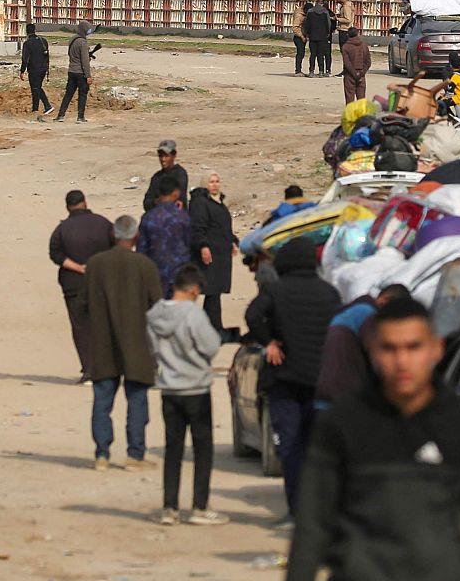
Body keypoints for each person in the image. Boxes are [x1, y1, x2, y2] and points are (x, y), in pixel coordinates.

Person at [284, 297, 460, 581]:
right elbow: (310, 532)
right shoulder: (341, 424)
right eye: (389, 349)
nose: (402, 362)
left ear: (436, 349)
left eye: (413, 347)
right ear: (372, 351)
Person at [244, 237, 342, 520]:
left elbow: (252, 315)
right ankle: (316, 511)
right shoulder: (329, 293)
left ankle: (296, 510)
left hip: (284, 380)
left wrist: (270, 342)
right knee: (315, 448)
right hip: (320, 381)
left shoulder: (276, 290)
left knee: (289, 447)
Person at [146, 263, 227, 526]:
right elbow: (211, 346)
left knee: (173, 448)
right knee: (203, 449)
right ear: (193, 290)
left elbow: (152, 348)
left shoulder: (155, 314)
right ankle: (199, 507)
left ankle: (169, 507)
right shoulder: (193, 315)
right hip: (195, 388)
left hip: (169, 388)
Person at [83, 214, 163, 470]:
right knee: (137, 401)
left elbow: (82, 304)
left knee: (102, 402)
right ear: (135, 236)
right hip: (138, 345)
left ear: (113, 235)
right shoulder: (145, 265)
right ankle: (135, 455)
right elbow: (157, 306)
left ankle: (102, 455)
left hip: (103, 344)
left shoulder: (95, 264)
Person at [48, 190, 116, 382]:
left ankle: (88, 369)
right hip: (101, 282)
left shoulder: (62, 229)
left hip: (73, 284)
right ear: (85, 202)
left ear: (67, 206)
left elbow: (55, 254)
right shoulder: (103, 223)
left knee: (81, 326)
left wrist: (77, 267)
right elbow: (117, 246)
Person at [314, 283, 412, 411]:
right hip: (347, 402)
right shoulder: (368, 315)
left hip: (324, 397)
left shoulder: (347, 312)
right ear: (384, 301)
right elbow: (379, 358)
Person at [187, 171, 237, 333]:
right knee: (211, 290)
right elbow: (198, 227)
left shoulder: (218, 202)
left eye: (217, 181)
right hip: (209, 253)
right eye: (211, 182)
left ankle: (212, 328)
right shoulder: (200, 203)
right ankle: (212, 328)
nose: (215, 185)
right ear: (204, 184)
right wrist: (203, 247)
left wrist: (233, 241)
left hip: (220, 253)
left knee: (214, 293)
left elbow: (223, 227)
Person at [138, 177, 192, 298]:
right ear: (176, 193)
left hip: (154, 275)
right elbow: (189, 245)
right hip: (178, 276)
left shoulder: (148, 218)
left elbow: (141, 250)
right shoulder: (182, 217)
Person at [54, 21, 92, 123]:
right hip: (81, 73)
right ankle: (80, 117)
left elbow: (71, 55)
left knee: (68, 94)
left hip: (71, 71)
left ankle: (60, 115)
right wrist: (88, 75)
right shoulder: (83, 42)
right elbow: (85, 61)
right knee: (82, 94)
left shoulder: (72, 39)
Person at [143, 139, 189, 212]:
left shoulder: (180, 174)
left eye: (166, 156)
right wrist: (157, 201)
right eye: (161, 156)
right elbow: (146, 203)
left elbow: (178, 198)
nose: (163, 159)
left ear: (174, 156)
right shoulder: (156, 177)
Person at [19, 23, 53, 116]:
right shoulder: (43, 40)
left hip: (34, 70)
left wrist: (22, 71)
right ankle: (37, 109)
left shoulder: (27, 43)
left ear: (27, 32)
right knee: (37, 88)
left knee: (35, 88)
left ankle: (45, 107)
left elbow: (25, 58)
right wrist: (47, 68)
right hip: (43, 69)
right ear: (34, 30)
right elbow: (47, 56)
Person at [437, 53, 460, 121]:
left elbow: (450, 90)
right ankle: (455, 118)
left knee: (440, 103)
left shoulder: (455, 77)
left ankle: (451, 119)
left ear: (451, 65)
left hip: (459, 99)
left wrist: (444, 97)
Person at [340, 28, 372, 103]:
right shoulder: (364, 45)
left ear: (348, 35)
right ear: (358, 34)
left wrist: (354, 74)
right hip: (361, 74)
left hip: (350, 75)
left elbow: (347, 63)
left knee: (350, 99)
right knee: (361, 100)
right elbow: (368, 61)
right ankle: (361, 114)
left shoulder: (346, 46)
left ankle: (351, 114)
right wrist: (362, 73)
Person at [304, 0, 334, 77]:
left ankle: (311, 71)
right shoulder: (325, 12)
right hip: (323, 36)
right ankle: (321, 71)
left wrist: (307, 33)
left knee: (313, 54)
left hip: (312, 35)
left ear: (316, 3)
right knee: (321, 55)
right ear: (322, 4)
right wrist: (328, 33)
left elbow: (307, 23)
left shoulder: (310, 11)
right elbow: (328, 24)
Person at [293, 3, 310, 77]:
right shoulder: (299, 16)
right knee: (300, 54)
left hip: (303, 36)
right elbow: (295, 28)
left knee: (302, 53)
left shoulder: (303, 15)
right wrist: (302, 36)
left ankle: (299, 70)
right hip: (299, 37)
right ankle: (298, 70)